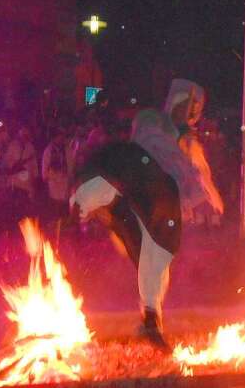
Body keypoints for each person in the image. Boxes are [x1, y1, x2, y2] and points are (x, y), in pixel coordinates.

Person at [70, 79, 224, 350]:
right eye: (189, 106)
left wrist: (204, 189)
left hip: (153, 206)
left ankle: (151, 323)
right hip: (136, 193)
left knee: (155, 262)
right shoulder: (152, 121)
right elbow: (152, 147)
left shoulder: (185, 141)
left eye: (194, 110)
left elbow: (194, 176)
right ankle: (150, 322)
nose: (191, 115)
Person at [41, 127, 75, 221]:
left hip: (65, 186)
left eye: (62, 137)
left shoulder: (67, 150)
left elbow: (71, 165)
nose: (61, 139)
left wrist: (70, 177)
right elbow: (44, 170)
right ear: (54, 138)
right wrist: (53, 175)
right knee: (55, 212)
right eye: (59, 137)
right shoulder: (48, 151)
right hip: (54, 186)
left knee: (64, 212)